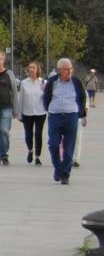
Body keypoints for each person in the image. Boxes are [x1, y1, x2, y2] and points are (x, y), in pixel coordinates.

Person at [42, 57, 87, 185]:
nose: (69, 72)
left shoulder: (76, 82)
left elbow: (82, 97)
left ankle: (65, 174)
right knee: (53, 144)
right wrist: (49, 109)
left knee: (69, 147)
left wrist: (82, 114)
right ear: (59, 70)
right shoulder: (53, 82)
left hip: (71, 116)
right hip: (55, 116)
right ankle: (57, 168)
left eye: (70, 69)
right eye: (66, 70)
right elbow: (46, 97)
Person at [0, 51, 19, 166]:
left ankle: (4, 155)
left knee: (3, 131)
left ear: (3, 60)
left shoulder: (9, 74)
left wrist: (16, 110)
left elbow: (14, 92)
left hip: (6, 107)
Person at [17, 61, 47, 165]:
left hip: (40, 112)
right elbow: (21, 98)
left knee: (38, 134)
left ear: (37, 69)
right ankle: (30, 150)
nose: (31, 69)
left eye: (33, 68)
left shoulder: (43, 82)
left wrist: (48, 109)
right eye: (29, 67)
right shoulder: (24, 83)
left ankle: (37, 156)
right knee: (28, 134)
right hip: (27, 112)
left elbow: (46, 98)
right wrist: (19, 113)